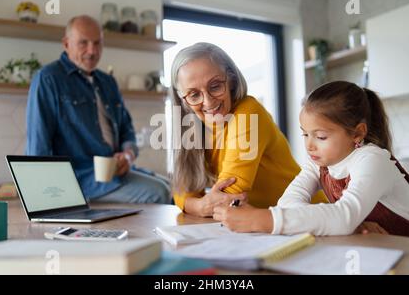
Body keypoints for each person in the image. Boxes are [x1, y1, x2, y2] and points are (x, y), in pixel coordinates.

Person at [214, 81, 409, 239]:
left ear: (357, 134)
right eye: (305, 134)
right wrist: (347, 224)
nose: (309, 145)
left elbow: (343, 216)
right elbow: (287, 202)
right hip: (383, 248)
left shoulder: (372, 159)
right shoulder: (319, 163)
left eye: (321, 136)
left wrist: (258, 219)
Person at [170, 42, 327, 217]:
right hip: (263, 225)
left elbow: (230, 197)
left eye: (215, 86)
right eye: (194, 94)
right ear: (183, 100)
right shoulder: (194, 128)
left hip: (309, 216)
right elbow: (181, 191)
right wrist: (199, 206)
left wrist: (199, 204)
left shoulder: (249, 112)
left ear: (231, 80)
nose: (208, 102)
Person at [26, 15, 170, 204]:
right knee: (159, 192)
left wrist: (128, 155)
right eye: (83, 43)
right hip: (79, 181)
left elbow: (127, 129)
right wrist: (46, 200)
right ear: (66, 43)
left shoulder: (108, 82)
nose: (92, 51)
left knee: (169, 185)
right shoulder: (48, 79)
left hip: (114, 174)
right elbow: (38, 148)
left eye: (97, 43)